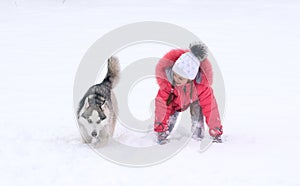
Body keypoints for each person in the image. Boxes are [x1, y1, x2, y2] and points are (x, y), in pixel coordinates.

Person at [154, 43, 223, 144]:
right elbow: (162, 106)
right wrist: (160, 129)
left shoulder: (201, 87)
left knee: (197, 108)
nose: (176, 79)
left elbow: (211, 109)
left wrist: (216, 131)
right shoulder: (168, 83)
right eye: (175, 75)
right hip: (174, 103)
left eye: (181, 78)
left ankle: (197, 133)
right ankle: (164, 131)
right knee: (168, 110)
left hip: (194, 101)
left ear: (191, 78)